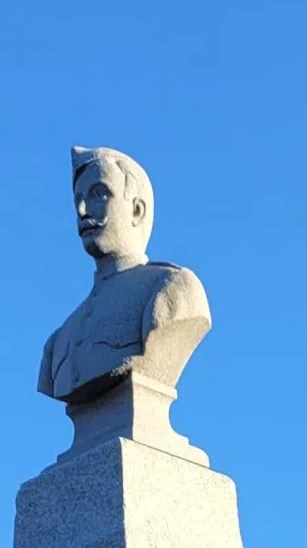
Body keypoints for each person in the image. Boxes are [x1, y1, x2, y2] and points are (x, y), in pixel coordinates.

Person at [38, 147, 210, 446]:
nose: (82, 211)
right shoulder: (60, 339)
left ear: (137, 210)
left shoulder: (172, 289)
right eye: (78, 200)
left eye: (99, 194)